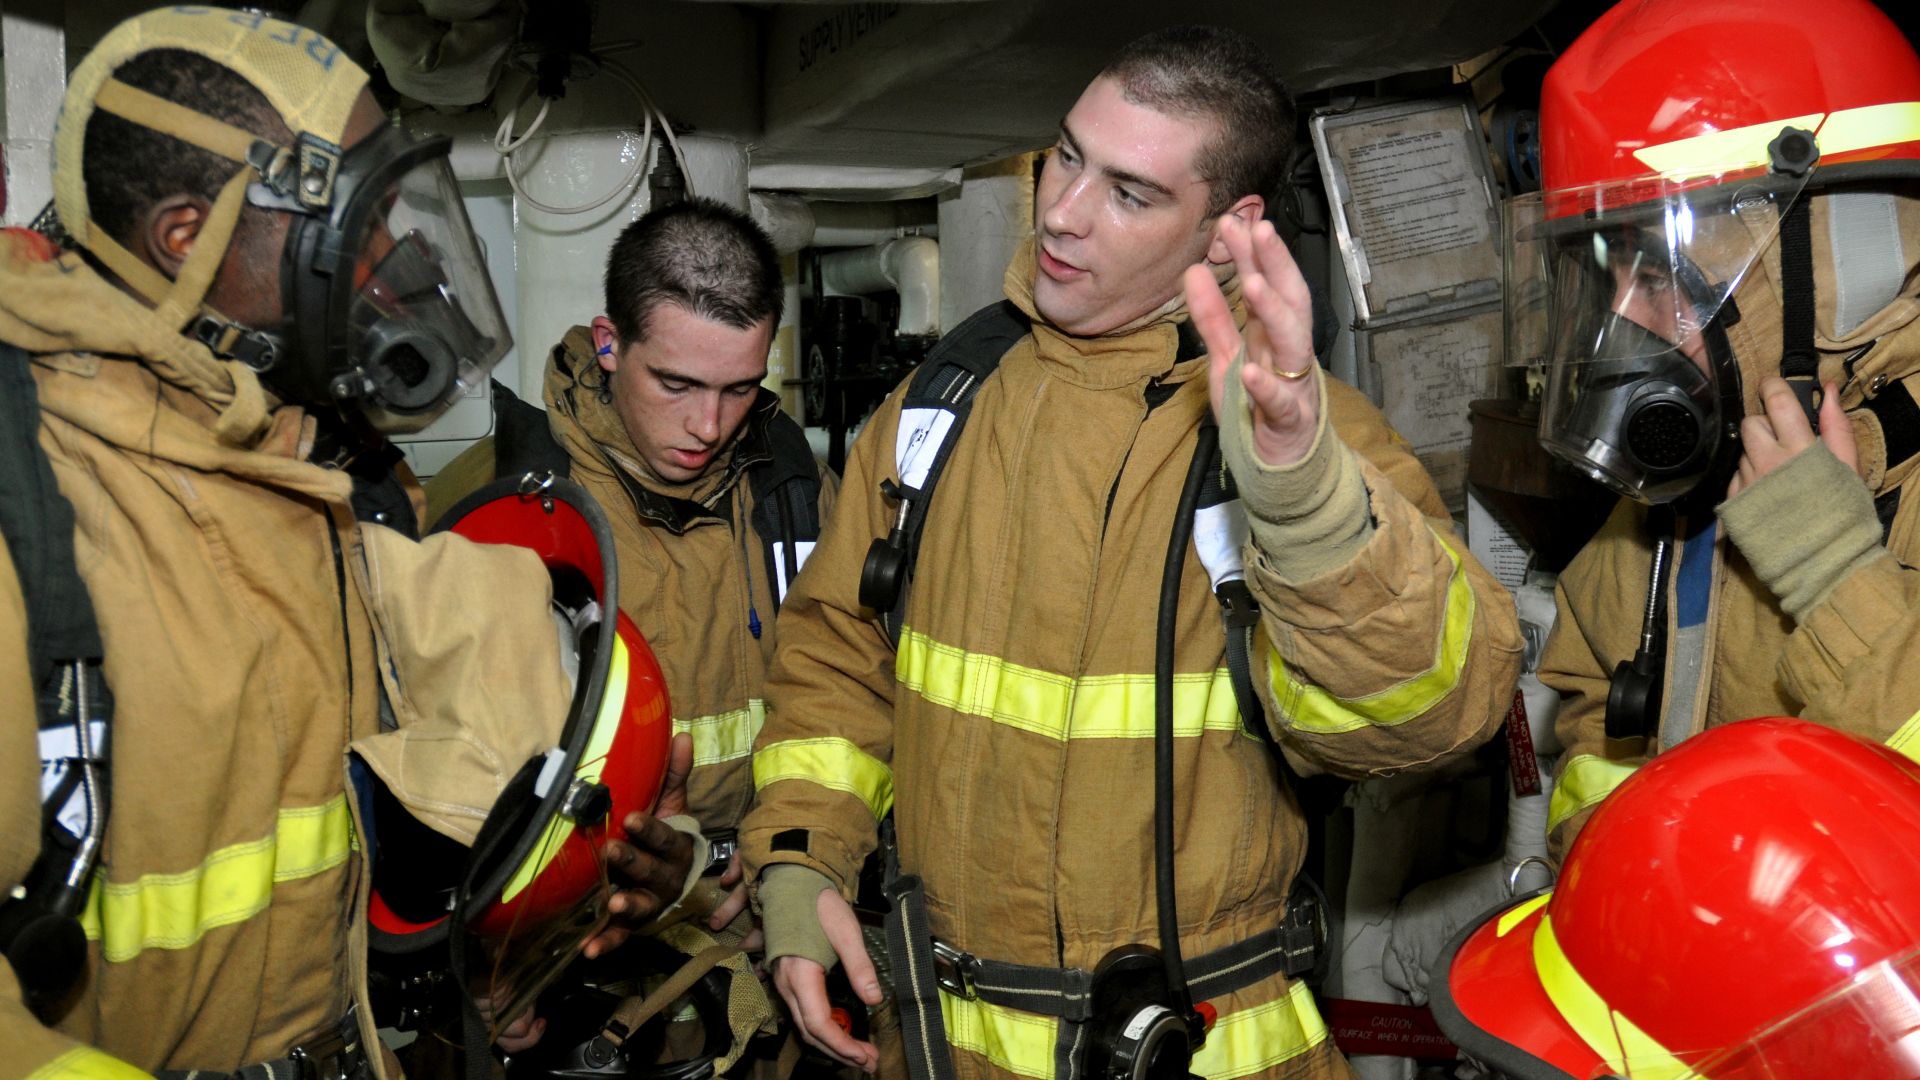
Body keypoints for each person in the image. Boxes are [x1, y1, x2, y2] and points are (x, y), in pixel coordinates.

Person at [739, 25, 1523, 1080]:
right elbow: (836, 663)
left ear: (1225, 231)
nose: (1061, 212)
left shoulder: (1303, 442)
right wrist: (798, 860)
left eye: (1130, 192)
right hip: (934, 1044)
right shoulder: (941, 405)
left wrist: (1298, 493)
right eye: (1067, 156)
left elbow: (1435, 713)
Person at [0, 8, 697, 1075]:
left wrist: (623, 860)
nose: (395, 261)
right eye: (361, 224)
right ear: (188, 240)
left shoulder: (308, 474)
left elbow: (503, 693)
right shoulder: (33, 516)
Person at [425, 197, 836, 1065]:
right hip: (573, 977)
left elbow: (845, 696)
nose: (708, 425)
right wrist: (487, 963)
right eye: (676, 384)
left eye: (739, 388)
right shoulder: (507, 506)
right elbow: (428, 781)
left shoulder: (794, 488)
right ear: (609, 343)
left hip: (762, 954)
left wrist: (798, 865)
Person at [1529, 0, 1920, 861]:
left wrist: (1834, 574)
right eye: (1612, 275)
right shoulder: (1679, 488)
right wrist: (1611, 875)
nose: (1626, 317)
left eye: (1659, 276)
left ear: (1816, 266)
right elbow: (1596, 725)